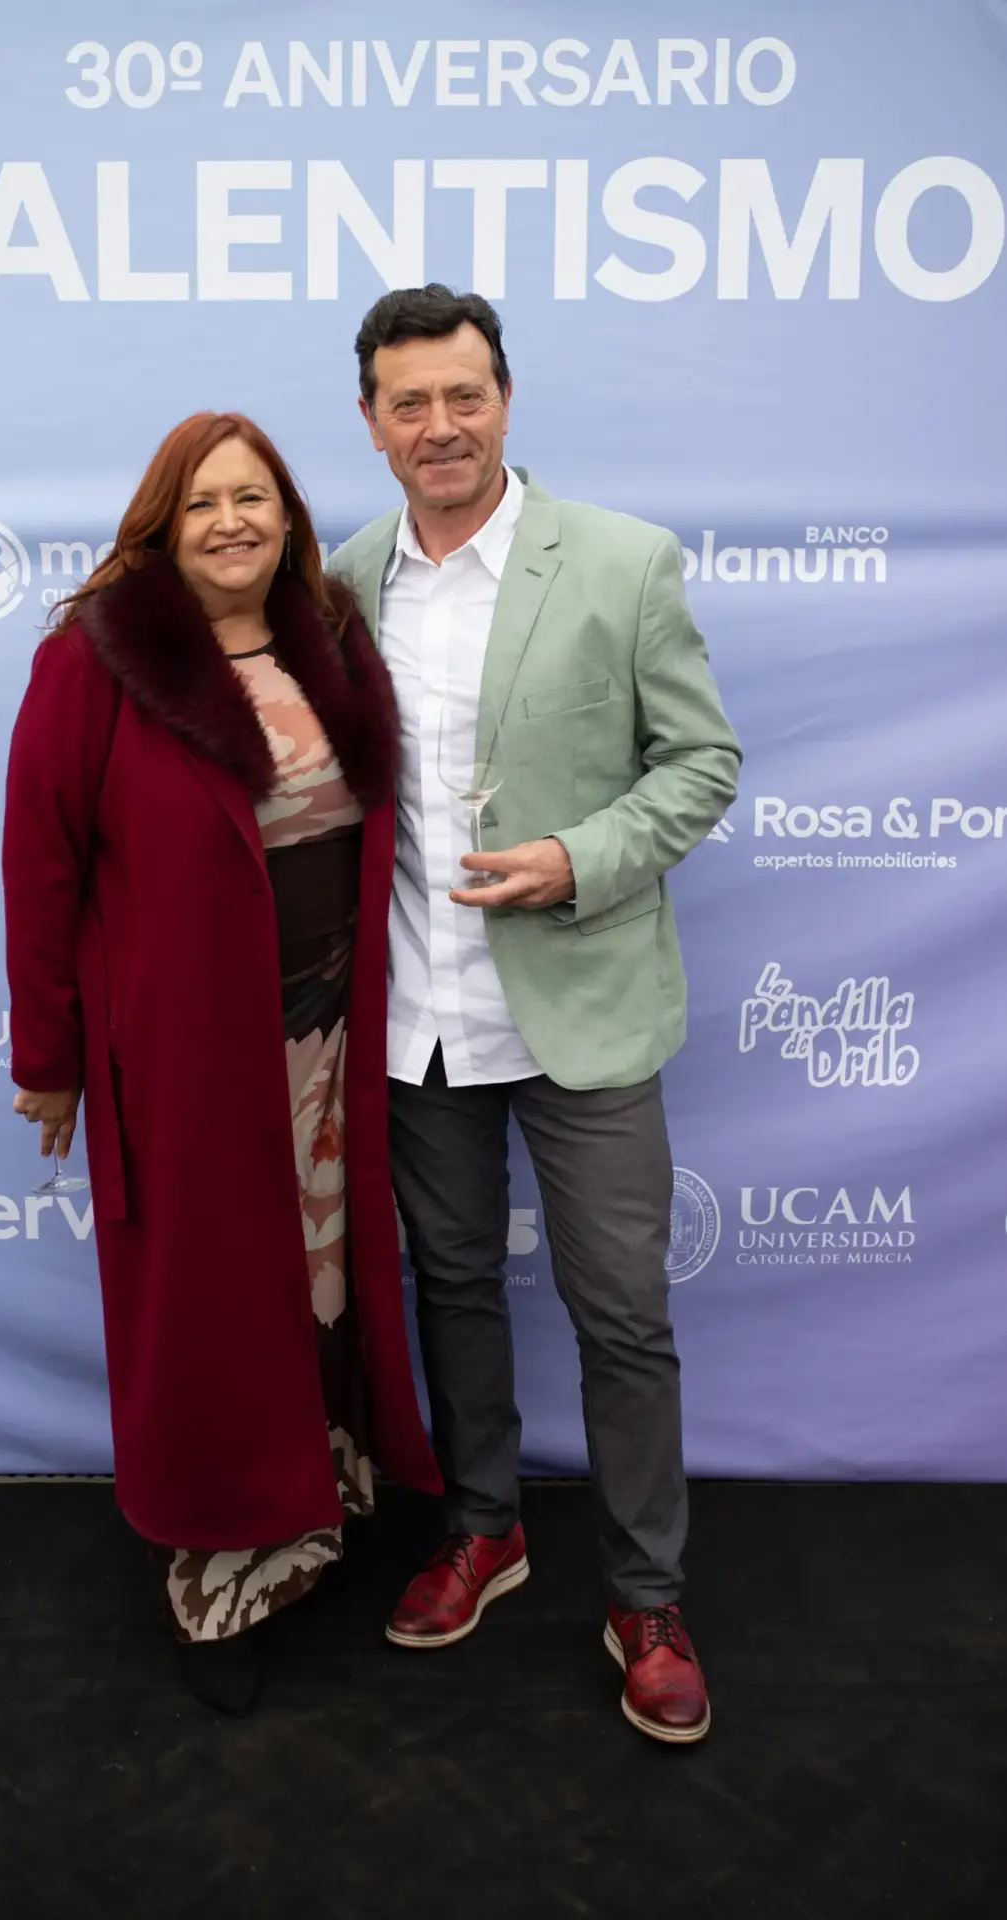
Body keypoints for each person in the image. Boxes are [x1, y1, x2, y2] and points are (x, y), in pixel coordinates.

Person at [329, 286, 741, 1744]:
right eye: (409, 403)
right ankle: (482, 1527)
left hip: (583, 1005)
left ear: (504, 399)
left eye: (465, 395)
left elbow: (700, 763)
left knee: (621, 1313)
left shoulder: (622, 560)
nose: (440, 425)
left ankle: (645, 1598)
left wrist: (578, 856)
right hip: (416, 1016)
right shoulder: (345, 580)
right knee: (449, 1286)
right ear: (371, 423)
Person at [2, 412, 440, 1717]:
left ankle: (314, 1510)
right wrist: (51, 1056)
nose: (231, 523)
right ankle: (219, 1576)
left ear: (288, 518)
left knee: (319, 1288)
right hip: (187, 1053)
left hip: (332, 1036)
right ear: (161, 526)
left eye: (253, 498)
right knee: (210, 1312)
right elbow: (39, 865)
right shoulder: (93, 660)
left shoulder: (330, 640)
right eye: (202, 503)